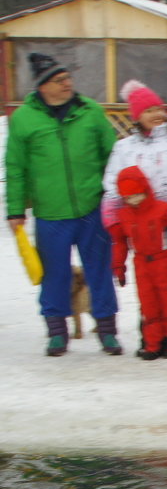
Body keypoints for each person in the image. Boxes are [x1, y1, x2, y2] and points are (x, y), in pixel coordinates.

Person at [5, 52, 120, 357]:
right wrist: (15, 210)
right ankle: (57, 333)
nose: (68, 83)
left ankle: (107, 330)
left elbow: (114, 156)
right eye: (59, 80)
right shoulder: (24, 119)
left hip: (92, 208)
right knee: (54, 274)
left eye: (68, 77)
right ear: (42, 86)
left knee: (99, 270)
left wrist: (116, 198)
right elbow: (15, 167)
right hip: (50, 213)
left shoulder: (90, 111)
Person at [102, 79, 167, 357]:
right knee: (148, 283)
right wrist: (114, 221)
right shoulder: (124, 149)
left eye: (159, 108)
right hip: (141, 228)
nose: (157, 114)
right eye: (149, 110)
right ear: (137, 116)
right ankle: (153, 339)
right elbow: (112, 185)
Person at [106, 166, 167, 360]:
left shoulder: (163, 210)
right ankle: (153, 344)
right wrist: (118, 266)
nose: (133, 200)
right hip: (141, 264)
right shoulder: (124, 216)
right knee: (148, 305)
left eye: (136, 195)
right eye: (128, 197)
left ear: (145, 190)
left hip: (164, 262)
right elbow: (119, 243)